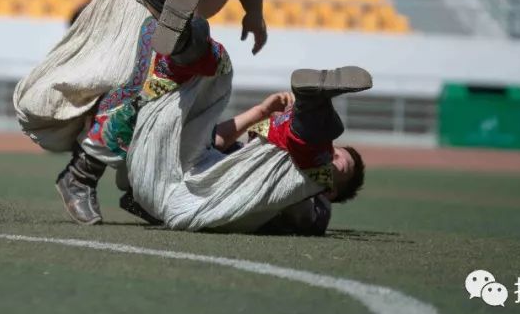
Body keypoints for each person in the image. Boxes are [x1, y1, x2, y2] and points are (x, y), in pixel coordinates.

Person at [13, 0, 302, 224]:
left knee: (192, 88)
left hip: (180, 21)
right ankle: (80, 175)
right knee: (142, 86)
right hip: (138, 5)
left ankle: (142, 183)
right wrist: (184, 40)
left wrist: (254, 14)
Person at [121, 62, 369, 234]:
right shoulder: (244, 162)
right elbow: (213, 141)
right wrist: (260, 112)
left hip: (208, 205)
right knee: (211, 88)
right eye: (335, 152)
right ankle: (190, 51)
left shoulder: (318, 208)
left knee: (304, 173)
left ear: (332, 193)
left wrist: (315, 164)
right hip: (177, 181)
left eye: (341, 163)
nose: (333, 156)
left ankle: (311, 113)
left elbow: (301, 212)